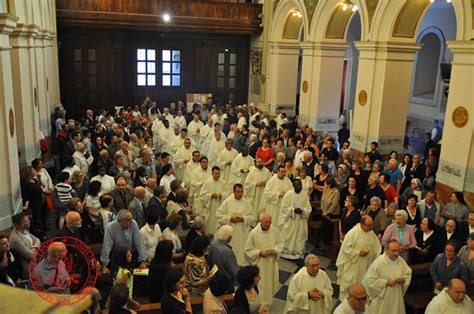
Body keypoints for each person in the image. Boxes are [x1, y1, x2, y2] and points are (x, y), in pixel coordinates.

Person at [336, 215, 381, 300]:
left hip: (366, 265)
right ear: (362, 224)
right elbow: (346, 248)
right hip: (354, 265)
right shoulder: (353, 233)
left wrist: (378, 258)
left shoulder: (371, 233)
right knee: (350, 284)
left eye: (372, 225)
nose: (371, 227)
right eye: (369, 225)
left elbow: (377, 247)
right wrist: (358, 252)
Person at [362, 239, 412, 314]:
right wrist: (385, 282)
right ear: (386, 250)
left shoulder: (400, 260)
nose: (396, 253)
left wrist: (403, 280)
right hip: (382, 296)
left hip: (396, 294)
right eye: (393, 251)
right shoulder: (379, 262)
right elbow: (370, 280)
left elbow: (408, 272)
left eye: (398, 250)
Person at [244, 213, 283, 305]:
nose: (268, 224)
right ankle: (259, 303)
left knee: (269, 284)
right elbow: (247, 249)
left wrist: (276, 251)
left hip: (271, 263)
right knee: (261, 284)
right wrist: (259, 253)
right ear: (261, 221)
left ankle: (268, 302)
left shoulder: (274, 230)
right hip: (260, 264)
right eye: (266, 222)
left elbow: (280, 243)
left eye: (270, 222)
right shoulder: (254, 233)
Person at [216, 184, 255, 264]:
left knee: (240, 251)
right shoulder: (227, 201)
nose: (240, 194)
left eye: (241, 192)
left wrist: (243, 219)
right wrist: (230, 219)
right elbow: (218, 214)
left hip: (241, 232)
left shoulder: (246, 203)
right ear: (233, 191)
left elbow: (252, 217)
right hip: (230, 232)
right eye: (238, 192)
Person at [100, 209, 147, 275]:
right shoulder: (110, 227)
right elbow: (106, 247)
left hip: (131, 255)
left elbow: (139, 242)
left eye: (131, 219)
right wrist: (104, 265)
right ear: (122, 221)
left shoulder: (133, 224)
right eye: (129, 220)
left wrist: (143, 260)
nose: (131, 221)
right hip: (117, 256)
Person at [278, 179, 311, 260]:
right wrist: (292, 210)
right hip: (291, 220)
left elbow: (309, 208)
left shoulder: (305, 195)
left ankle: (299, 253)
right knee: (289, 236)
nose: (299, 187)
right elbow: (283, 208)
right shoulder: (288, 195)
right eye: (297, 185)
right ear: (293, 186)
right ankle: (287, 253)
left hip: (300, 220)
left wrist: (302, 211)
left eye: (300, 185)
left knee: (300, 237)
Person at [197, 166, 231, 234]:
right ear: (212, 173)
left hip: (220, 205)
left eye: (219, 173)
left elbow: (228, 194)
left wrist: (221, 195)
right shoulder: (207, 183)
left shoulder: (223, 182)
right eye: (216, 173)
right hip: (210, 208)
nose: (218, 175)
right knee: (210, 224)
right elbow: (202, 196)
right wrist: (211, 195)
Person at [208, 225, 239, 293]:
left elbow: (208, 261)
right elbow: (235, 272)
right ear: (230, 238)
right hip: (226, 284)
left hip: (214, 280)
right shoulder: (227, 252)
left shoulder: (213, 244)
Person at [9, 213, 40, 279]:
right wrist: (36, 248)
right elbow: (31, 255)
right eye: (27, 220)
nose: (29, 221)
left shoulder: (24, 230)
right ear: (21, 224)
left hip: (35, 264)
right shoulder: (15, 239)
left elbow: (37, 240)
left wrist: (33, 247)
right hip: (28, 269)